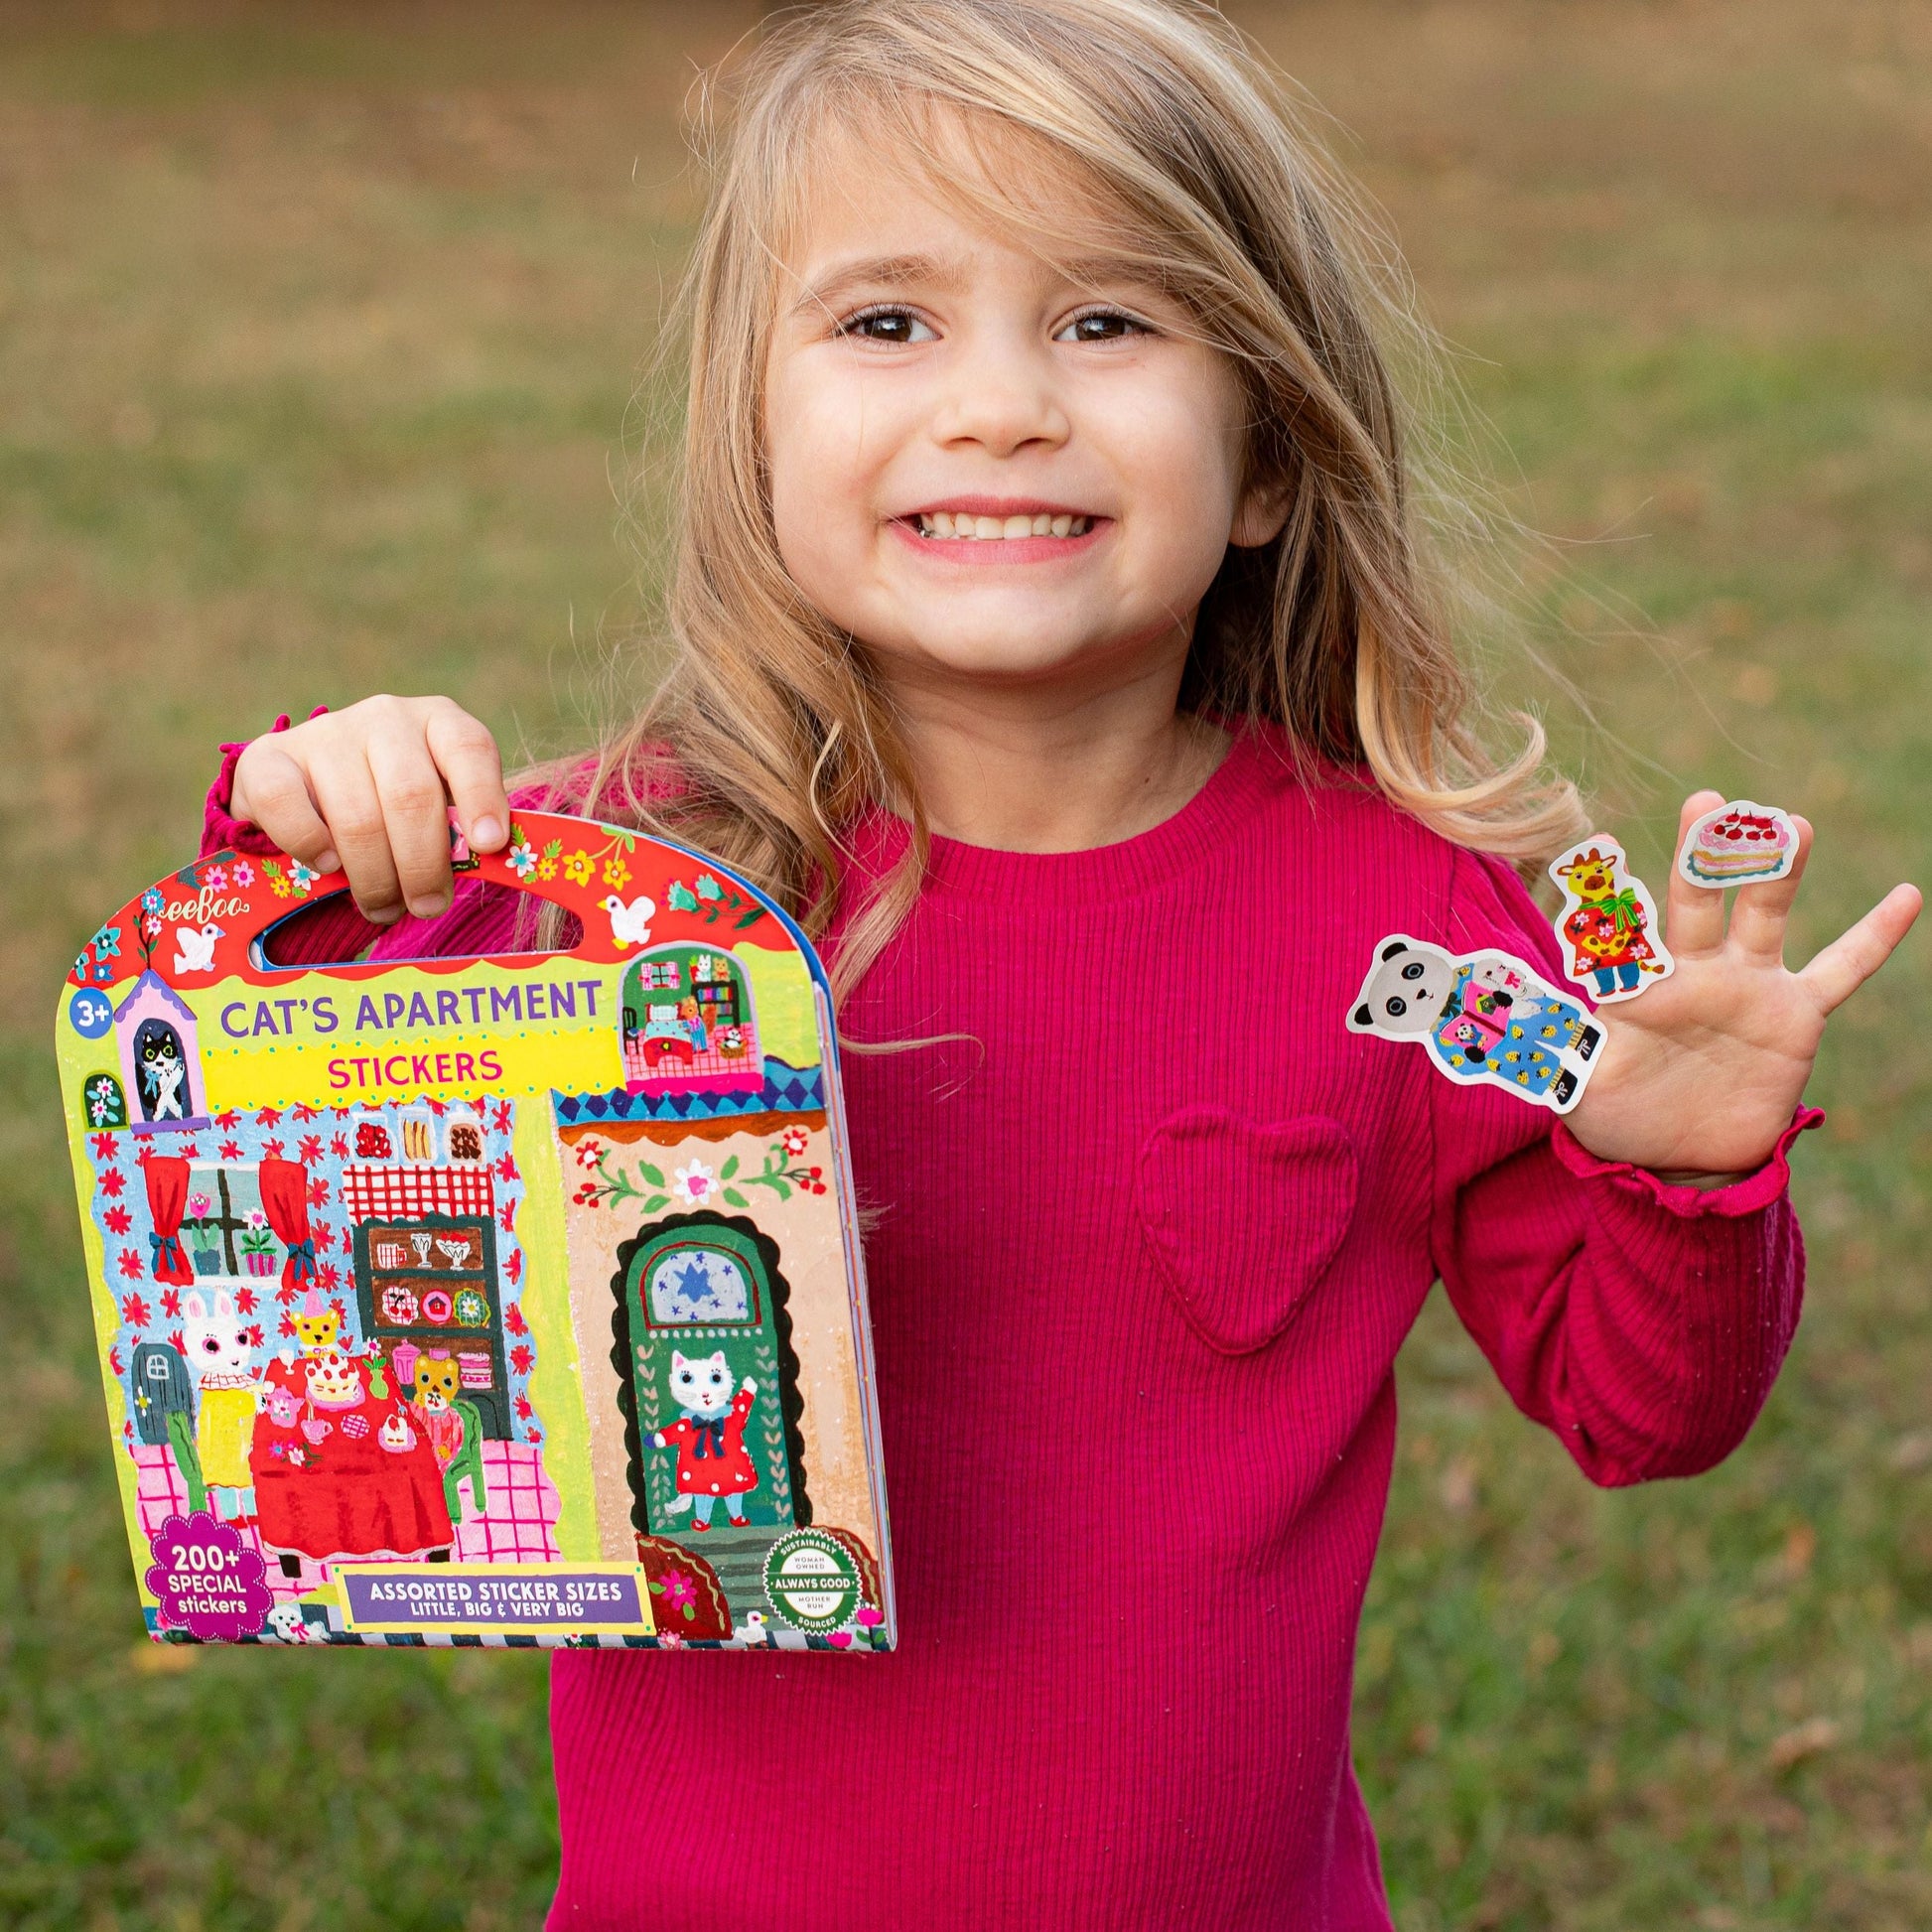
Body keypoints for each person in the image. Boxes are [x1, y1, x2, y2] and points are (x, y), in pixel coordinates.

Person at [197, 2, 1921, 1924]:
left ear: (1264, 457)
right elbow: (258, 1129)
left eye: (1106, 320)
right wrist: (332, 834)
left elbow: (1643, 1411)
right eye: (886, 321)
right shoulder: (610, 887)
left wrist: (1684, 1174)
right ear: (752, 433)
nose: (1000, 404)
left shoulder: (1415, 923)